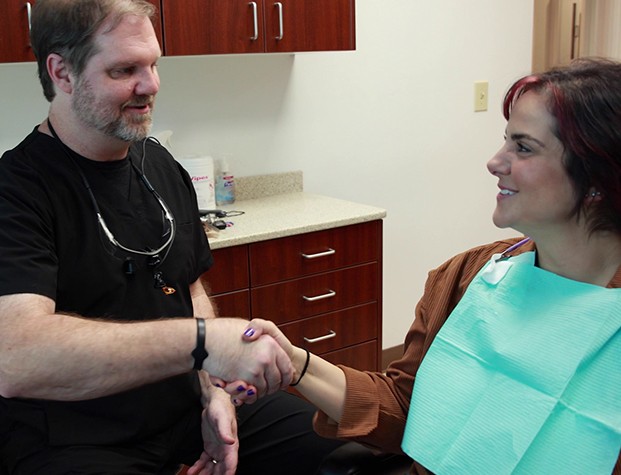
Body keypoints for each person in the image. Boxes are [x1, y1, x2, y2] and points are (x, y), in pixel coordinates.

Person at [219, 58, 621, 474]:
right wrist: (295, 363)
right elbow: (406, 408)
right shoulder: (467, 278)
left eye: (523, 147)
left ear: (595, 177)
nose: (495, 162)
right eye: (505, 141)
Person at [0, 1, 343, 474]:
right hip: (76, 439)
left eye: (153, 65)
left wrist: (213, 390)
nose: (151, 86)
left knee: (339, 450)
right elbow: (16, 357)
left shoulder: (159, 165)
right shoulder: (16, 190)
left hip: (184, 413)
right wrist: (205, 342)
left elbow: (190, 288)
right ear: (61, 72)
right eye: (125, 69)